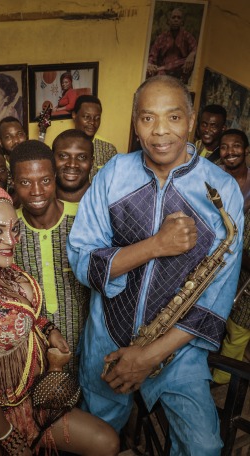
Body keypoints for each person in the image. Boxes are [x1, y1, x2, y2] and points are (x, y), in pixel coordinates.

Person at [67, 75, 243, 455]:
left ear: (191, 120)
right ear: (135, 123)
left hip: (178, 350)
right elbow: (82, 258)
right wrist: (155, 246)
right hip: (106, 340)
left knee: (204, 448)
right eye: (147, 119)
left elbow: (217, 296)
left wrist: (148, 356)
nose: (160, 132)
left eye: (174, 117)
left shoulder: (223, 190)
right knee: (96, 439)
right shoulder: (113, 174)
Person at [0, 174, 120, 456]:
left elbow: (27, 311)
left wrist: (49, 330)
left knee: (107, 442)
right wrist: (11, 440)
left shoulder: (3, 269)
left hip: (34, 399)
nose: (10, 241)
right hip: (0, 418)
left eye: (14, 229)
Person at [10, 140, 90, 377]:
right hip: (32, 347)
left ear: (55, 178)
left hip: (88, 341)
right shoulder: (7, 230)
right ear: (13, 183)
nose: (36, 191)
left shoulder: (84, 219)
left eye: (45, 180)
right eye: (25, 182)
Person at [213, 129, 250, 384]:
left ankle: (221, 378)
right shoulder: (211, 174)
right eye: (224, 147)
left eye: (236, 146)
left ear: (246, 150)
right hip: (213, 255)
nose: (230, 152)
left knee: (239, 324)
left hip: (245, 261)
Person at [146, 8, 197, 84]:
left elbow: (195, 48)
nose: (176, 20)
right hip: (162, 72)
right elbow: (153, 54)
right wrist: (150, 64)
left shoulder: (187, 36)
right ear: (169, 21)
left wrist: (192, 54)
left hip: (181, 71)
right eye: (173, 17)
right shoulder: (161, 38)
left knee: (189, 60)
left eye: (178, 18)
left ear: (182, 22)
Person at [72, 95, 117, 177]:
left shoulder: (108, 149)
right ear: (74, 115)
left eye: (97, 118)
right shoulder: (62, 146)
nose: (92, 122)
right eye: (86, 117)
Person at [52, 129, 93, 203]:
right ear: (51, 159)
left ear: (92, 162)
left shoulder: (105, 203)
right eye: (63, 156)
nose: (72, 164)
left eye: (82, 157)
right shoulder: (37, 203)